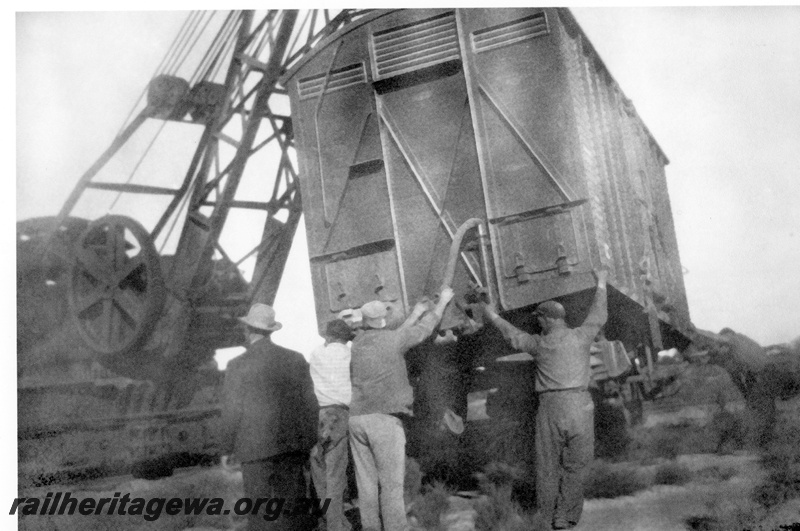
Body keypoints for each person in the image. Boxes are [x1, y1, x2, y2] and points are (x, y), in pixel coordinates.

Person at [480, 270, 608, 530]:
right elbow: (599, 315)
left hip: (551, 408)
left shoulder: (539, 344)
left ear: (548, 320)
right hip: (581, 405)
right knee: (576, 465)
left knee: (547, 465)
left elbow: (510, 333)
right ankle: (565, 517)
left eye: (539, 318)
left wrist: (490, 312)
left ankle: (546, 518)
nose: (537, 322)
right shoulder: (581, 336)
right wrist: (602, 282)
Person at [349, 287, 454, 531]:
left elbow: (398, 334)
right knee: (391, 484)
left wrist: (416, 311)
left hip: (357, 420)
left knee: (366, 484)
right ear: (383, 319)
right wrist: (442, 303)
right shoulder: (393, 340)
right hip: (385, 420)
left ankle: (371, 528)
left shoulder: (357, 344)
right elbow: (422, 331)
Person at [219, 303, 318, 531]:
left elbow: (232, 410)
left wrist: (226, 448)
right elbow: (309, 404)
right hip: (290, 447)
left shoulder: (237, 365)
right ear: (270, 330)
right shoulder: (295, 358)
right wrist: (311, 441)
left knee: (259, 511)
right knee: (293, 508)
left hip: (253, 450)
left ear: (248, 330)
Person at [309, 319, 356, 531]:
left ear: (328, 337)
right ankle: (336, 525)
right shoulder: (349, 355)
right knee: (336, 474)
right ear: (345, 338)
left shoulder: (317, 354)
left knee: (319, 472)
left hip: (318, 415)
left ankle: (331, 520)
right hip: (339, 413)